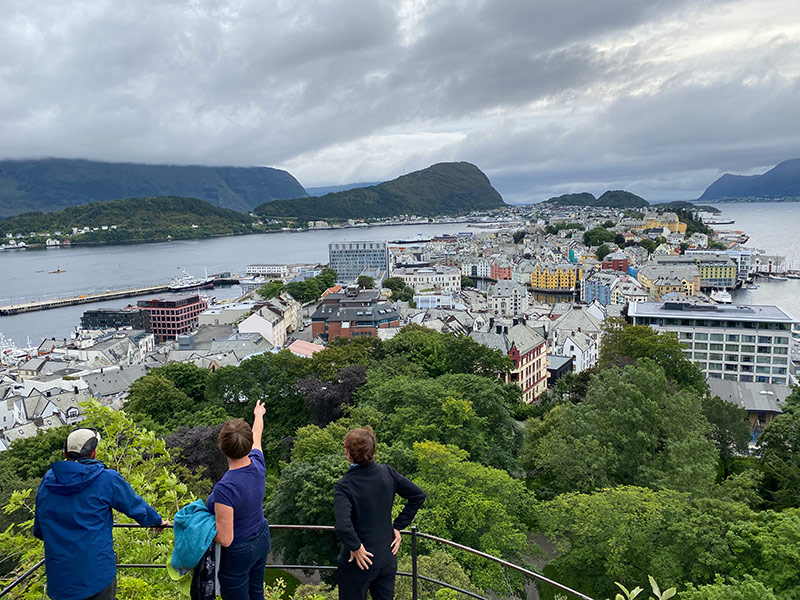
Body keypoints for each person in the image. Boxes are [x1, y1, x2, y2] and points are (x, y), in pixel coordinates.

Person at [33, 427, 167, 600]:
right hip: (96, 572)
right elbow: (134, 505)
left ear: (64, 452)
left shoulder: (48, 479)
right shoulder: (106, 478)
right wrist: (156, 520)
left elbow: (40, 528)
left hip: (60, 576)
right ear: (94, 452)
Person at [334, 427, 426, 600]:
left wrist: (356, 546)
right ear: (373, 450)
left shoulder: (345, 485)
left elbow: (342, 526)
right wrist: (398, 526)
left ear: (348, 454)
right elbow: (418, 495)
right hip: (386, 556)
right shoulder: (387, 472)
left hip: (358, 562)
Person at [206, 400, 270, 600]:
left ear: (223, 448)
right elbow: (257, 434)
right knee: (257, 593)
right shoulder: (257, 462)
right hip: (262, 536)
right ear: (248, 444)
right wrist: (258, 415)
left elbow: (225, 538)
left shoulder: (225, 488)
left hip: (240, 550)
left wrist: (199, 529)